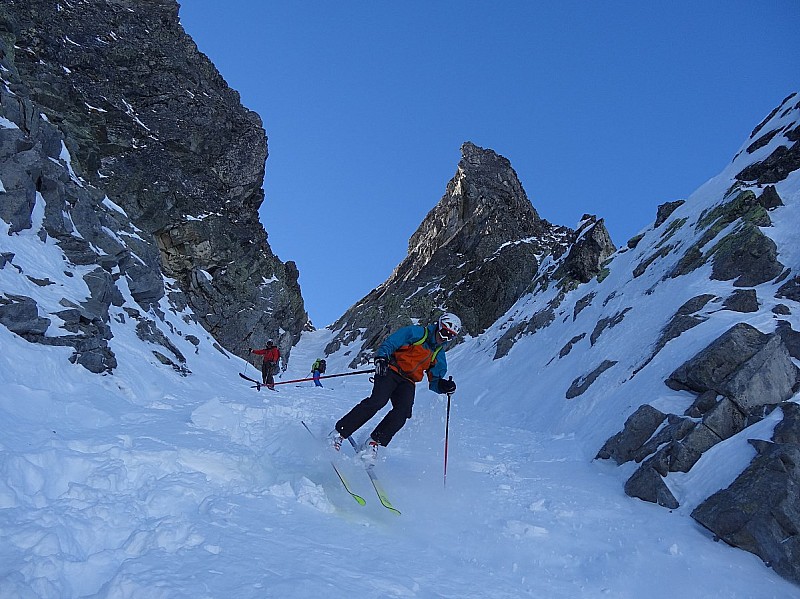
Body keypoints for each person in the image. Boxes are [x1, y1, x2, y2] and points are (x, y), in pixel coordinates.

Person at [330, 313, 460, 465]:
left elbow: (435, 382)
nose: (444, 338)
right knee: (378, 401)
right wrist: (382, 358)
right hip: (390, 370)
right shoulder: (417, 333)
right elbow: (392, 342)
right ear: (438, 327)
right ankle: (338, 434)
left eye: (450, 337)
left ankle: (373, 443)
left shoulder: (438, 354)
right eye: (444, 333)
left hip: (408, 381)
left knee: (403, 412)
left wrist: (444, 386)